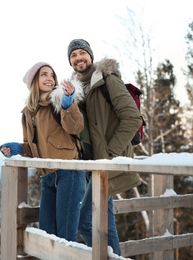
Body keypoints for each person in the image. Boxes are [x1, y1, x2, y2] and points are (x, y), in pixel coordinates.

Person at [67, 39, 143, 255]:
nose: (78, 58)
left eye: (82, 53)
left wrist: (111, 152)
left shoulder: (107, 79)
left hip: (108, 162)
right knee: (106, 224)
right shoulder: (77, 89)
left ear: (90, 56)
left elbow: (132, 117)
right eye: (73, 55)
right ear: (70, 62)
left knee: (84, 220)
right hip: (94, 166)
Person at [0, 62, 87, 242]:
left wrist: (68, 103)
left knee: (65, 238)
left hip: (68, 174)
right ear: (34, 81)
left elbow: (76, 127)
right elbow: (31, 147)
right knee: (47, 234)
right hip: (47, 177)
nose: (49, 78)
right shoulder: (28, 112)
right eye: (44, 74)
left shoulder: (60, 100)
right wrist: (17, 149)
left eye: (52, 75)